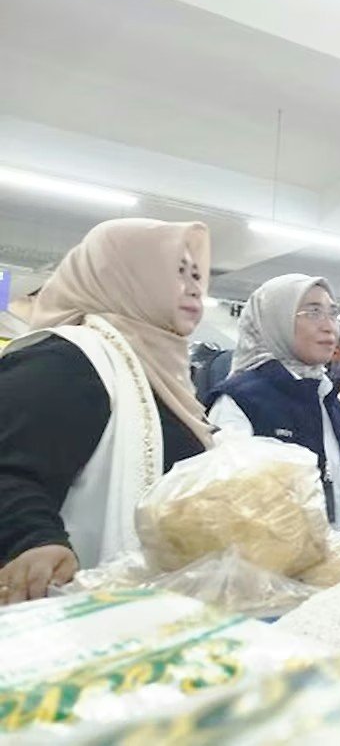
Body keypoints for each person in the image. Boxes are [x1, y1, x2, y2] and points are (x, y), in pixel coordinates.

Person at [0, 219, 215, 604]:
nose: (194, 287)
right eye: (177, 272)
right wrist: (33, 539)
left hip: (160, 610)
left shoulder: (166, 377)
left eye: (197, 275)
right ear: (126, 275)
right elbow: (10, 468)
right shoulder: (67, 361)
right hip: (73, 614)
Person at [208, 274, 340, 532]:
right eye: (313, 312)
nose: (329, 326)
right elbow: (227, 502)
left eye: (333, 313)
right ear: (276, 320)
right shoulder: (241, 400)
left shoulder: (329, 402)